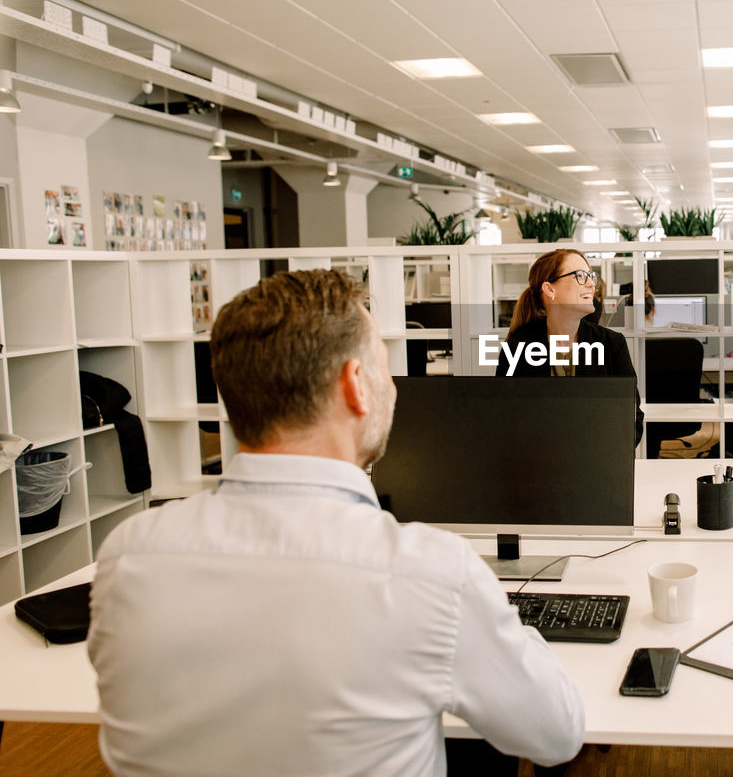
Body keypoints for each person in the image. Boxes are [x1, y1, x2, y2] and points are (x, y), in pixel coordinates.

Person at [88, 269, 584, 776]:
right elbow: (557, 733)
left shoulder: (127, 555)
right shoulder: (430, 574)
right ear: (356, 386)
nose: (393, 389)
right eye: (385, 371)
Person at [503, 248, 644, 446]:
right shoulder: (518, 346)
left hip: (598, 462)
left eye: (590, 275)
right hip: (536, 466)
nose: (591, 283)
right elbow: (505, 421)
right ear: (550, 289)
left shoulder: (612, 344)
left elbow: (632, 420)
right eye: (580, 276)